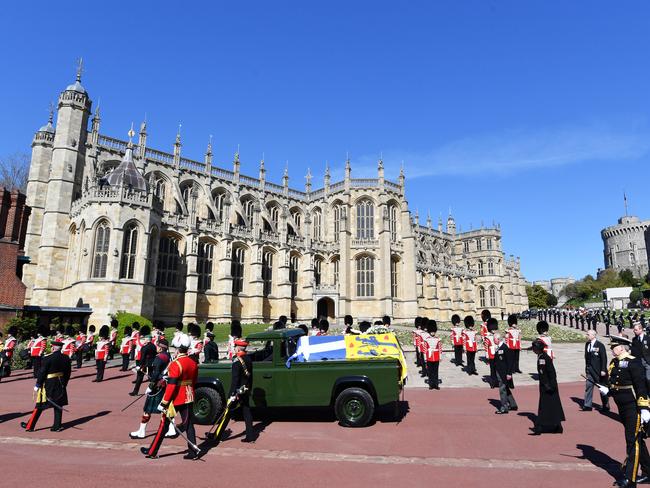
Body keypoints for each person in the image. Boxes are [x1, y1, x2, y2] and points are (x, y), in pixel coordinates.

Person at [599, 336, 650, 487]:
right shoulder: (614, 362)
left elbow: (641, 386)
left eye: (614, 346)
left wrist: (644, 408)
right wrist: (608, 390)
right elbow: (616, 384)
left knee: (631, 441)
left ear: (622, 347)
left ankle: (630, 479)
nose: (611, 349)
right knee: (637, 440)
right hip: (622, 407)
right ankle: (648, 472)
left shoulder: (633, 362)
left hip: (633, 407)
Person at [141, 335, 199, 460]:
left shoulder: (176, 363)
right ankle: (193, 451)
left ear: (178, 349)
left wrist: (164, 402)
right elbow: (193, 381)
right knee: (189, 424)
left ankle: (152, 451)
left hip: (175, 398)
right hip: (188, 396)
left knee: (163, 425)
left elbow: (172, 386)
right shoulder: (193, 362)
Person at [21, 340, 72, 432]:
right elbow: (68, 373)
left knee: (40, 405)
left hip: (49, 384)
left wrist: (38, 384)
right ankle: (57, 426)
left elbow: (42, 372)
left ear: (53, 348)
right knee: (58, 404)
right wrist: (65, 383)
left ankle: (30, 425)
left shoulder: (48, 358)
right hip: (60, 382)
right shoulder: (66, 358)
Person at [130, 339, 176, 440]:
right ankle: (172, 429)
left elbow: (155, 374)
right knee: (166, 408)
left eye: (157, 346)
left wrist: (150, 386)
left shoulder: (159, 358)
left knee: (147, 409)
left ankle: (142, 431)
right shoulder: (168, 356)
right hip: (165, 385)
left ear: (160, 347)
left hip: (156, 386)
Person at [530, 339, 565, 434]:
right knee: (553, 405)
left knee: (544, 406)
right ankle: (558, 426)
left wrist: (547, 385)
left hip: (547, 386)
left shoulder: (542, 358)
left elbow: (544, 373)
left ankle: (539, 428)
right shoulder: (543, 356)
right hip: (550, 384)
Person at [228, 338, 255, 442]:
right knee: (247, 412)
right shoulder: (248, 359)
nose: (234, 348)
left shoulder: (237, 362)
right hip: (246, 389)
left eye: (235, 347)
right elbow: (250, 377)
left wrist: (231, 394)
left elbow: (235, 381)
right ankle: (250, 436)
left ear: (238, 348)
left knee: (227, 411)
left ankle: (218, 433)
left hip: (238, 392)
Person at [582, 329, 609, 412]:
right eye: (587, 334)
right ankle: (587, 405)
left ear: (593, 335)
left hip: (598, 371)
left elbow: (604, 358)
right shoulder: (587, 344)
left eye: (588, 334)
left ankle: (605, 405)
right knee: (589, 387)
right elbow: (586, 357)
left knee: (601, 388)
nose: (587, 336)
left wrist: (603, 369)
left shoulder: (600, 345)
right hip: (589, 369)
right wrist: (587, 368)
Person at [493, 332, 517, 414]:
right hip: (500, 372)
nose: (493, 340)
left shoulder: (505, 348)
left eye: (494, 339)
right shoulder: (499, 347)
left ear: (498, 339)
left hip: (503, 373)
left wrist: (509, 373)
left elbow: (510, 362)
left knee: (502, 390)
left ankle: (504, 407)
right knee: (506, 388)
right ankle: (513, 404)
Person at [130, 326, 156, 396]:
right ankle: (153, 389)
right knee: (150, 377)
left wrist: (139, 365)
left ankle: (135, 391)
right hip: (150, 362)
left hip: (142, 362)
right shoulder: (153, 345)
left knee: (140, 377)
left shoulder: (141, 343)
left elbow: (142, 355)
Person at [424, 319, 442, 390]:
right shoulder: (426, 339)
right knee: (430, 371)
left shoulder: (438, 339)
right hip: (429, 357)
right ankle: (431, 384)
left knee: (436, 371)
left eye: (433, 331)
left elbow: (440, 349)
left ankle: (436, 384)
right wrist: (425, 358)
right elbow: (425, 349)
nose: (432, 333)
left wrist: (440, 357)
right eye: (431, 331)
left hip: (436, 356)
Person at [484, 317, 499, 388]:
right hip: (491, 355)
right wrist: (487, 355)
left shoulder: (497, 335)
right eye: (492, 328)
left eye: (494, 328)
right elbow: (486, 346)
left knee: (497, 370)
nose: (494, 330)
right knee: (492, 370)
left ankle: (497, 382)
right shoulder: (487, 337)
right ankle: (493, 383)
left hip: (497, 354)